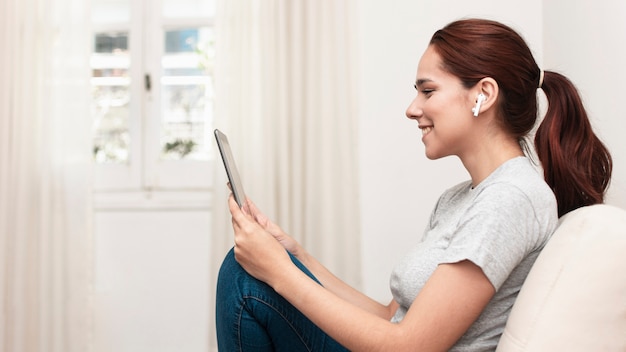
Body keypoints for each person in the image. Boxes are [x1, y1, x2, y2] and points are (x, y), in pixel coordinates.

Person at [215, 18, 612, 351]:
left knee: (247, 281)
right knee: (247, 270)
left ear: (483, 95)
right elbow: (390, 317)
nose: (412, 108)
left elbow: (410, 346)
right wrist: (295, 255)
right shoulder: (460, 198)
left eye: (428, 90)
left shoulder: (511, 198)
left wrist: (279, 273)